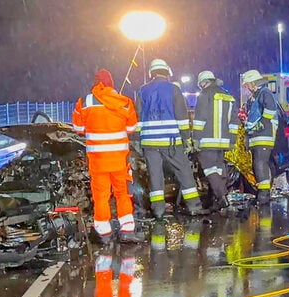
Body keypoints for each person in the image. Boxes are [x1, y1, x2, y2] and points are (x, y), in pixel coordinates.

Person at [72, 69, 143, 244]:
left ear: (96, 83)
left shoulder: (85, 101)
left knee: (101, 196)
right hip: (119, 161)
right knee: (123, 194)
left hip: (98, 161)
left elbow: (78, 129)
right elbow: (132, 128)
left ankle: (104, 234)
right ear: (112, 83)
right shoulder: (124, 102)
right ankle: (127, 231)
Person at [137, 59, 207, 218]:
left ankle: (158, 210)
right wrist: (185, 139)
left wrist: (138, 140)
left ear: (151, 73)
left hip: (149, 143)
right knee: (184, 172)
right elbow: (182, 119)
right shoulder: (174, 89)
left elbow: (138, 118)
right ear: (167, 72)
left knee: (155, 177)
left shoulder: (142, 91)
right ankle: (194, 207)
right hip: (171, 142)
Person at [192, 70, 239, 213]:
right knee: (219, 169)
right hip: (224, 141)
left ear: (204, 82)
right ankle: (216, 201)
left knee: (209, 169)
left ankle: (222, 197)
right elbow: (234, 121)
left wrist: (196, 138)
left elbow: (200, 119)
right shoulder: (229, 97)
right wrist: (232, 140)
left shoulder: (204, 95)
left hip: (207, 140)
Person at [242, 69, 279, 205]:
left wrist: (261, 124)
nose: (246, 87)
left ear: (253, 83)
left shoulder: (265, 93)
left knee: (260, 164)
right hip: (257, 136)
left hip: (264, 135)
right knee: (257, 164)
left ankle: (264, 195)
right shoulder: (256, 95)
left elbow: (270, 110)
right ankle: (262, 192)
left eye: (247, 85)